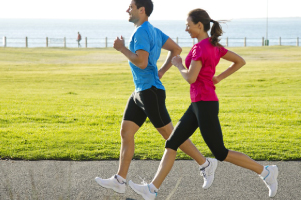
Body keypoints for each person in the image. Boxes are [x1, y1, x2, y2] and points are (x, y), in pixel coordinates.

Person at [127, 8, 279, 200]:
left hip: (205, 105)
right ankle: (152, 189)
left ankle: (266, 172)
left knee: (221, 152)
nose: (186, 29)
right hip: (198, 104)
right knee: (172, 142)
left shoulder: (200, 48)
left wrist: (178, 64)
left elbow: (191, 78)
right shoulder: (213, 45)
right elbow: (239, 61)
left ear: (199, 26)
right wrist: (218, 78)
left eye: (188, 26)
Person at [94, 0, 220, 194]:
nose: (127, 9)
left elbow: (142, 62)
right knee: (126, 132)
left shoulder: (142, 32)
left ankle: (205, 164)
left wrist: (121, 48)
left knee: (171, 135)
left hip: (150, 92)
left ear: (141, 10)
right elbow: (176, 49)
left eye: (131, 6)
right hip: (140, 91)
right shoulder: (152, 30)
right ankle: (120, 180)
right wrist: (161, 71)